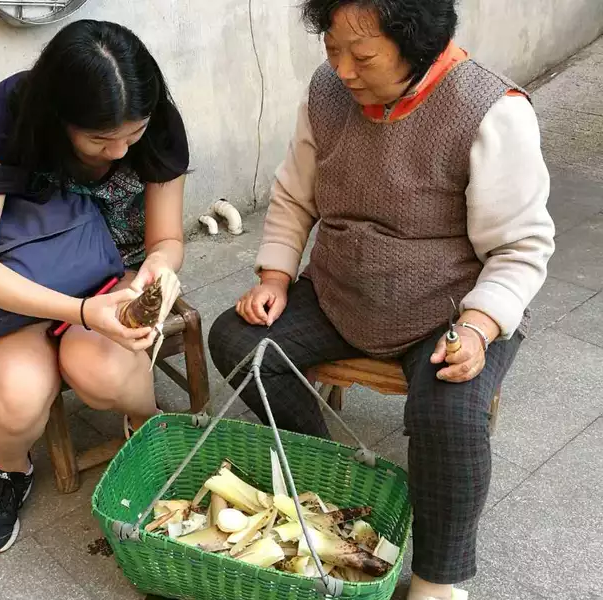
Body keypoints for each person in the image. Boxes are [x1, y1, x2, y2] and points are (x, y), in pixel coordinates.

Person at [207, 1, 555, 598]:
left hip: (447, 309)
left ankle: (435, 580)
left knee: (451, 411)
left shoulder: (492, 112)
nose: (342, 70)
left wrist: (476, 326)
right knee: (239, 340)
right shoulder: (327, 93)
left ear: (417, 44)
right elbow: (295, 197)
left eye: (361, 55)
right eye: (331, 50)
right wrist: (274, 276)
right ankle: (327, 471)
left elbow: (521, 248)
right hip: (342, 292)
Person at [0, 20, 188, 554]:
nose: (121, 151)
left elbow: (166, 237)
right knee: (16, 402)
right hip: (25, 280)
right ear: (58, 116)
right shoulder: (10, 114)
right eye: (101, 138)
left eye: (135, 133)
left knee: (102, 372)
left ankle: (147, 432)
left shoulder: (159, 119)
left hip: (113, 274)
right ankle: (12, 473)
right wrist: (79, 311)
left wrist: (156, 269)